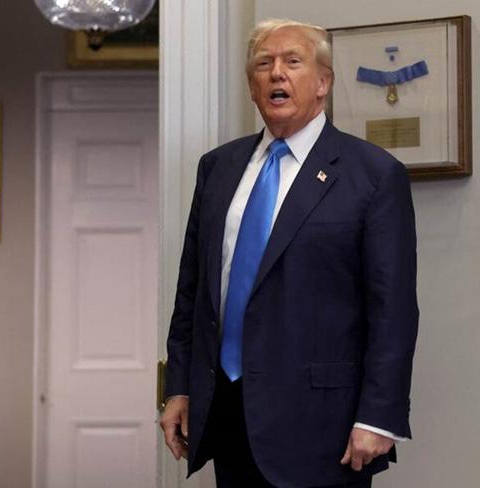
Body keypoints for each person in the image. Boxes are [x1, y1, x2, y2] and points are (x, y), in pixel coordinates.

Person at [160, 18, 419, 488]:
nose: (276, 73)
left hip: (323, 424)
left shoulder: (373, 174)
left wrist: (379, 415)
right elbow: (192, 293)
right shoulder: (218, 168)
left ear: (323, 83)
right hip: (228, 413)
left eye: (292, 61)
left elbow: (393, 310)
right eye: (264, 64)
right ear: (251, 86)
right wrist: (178, 387)